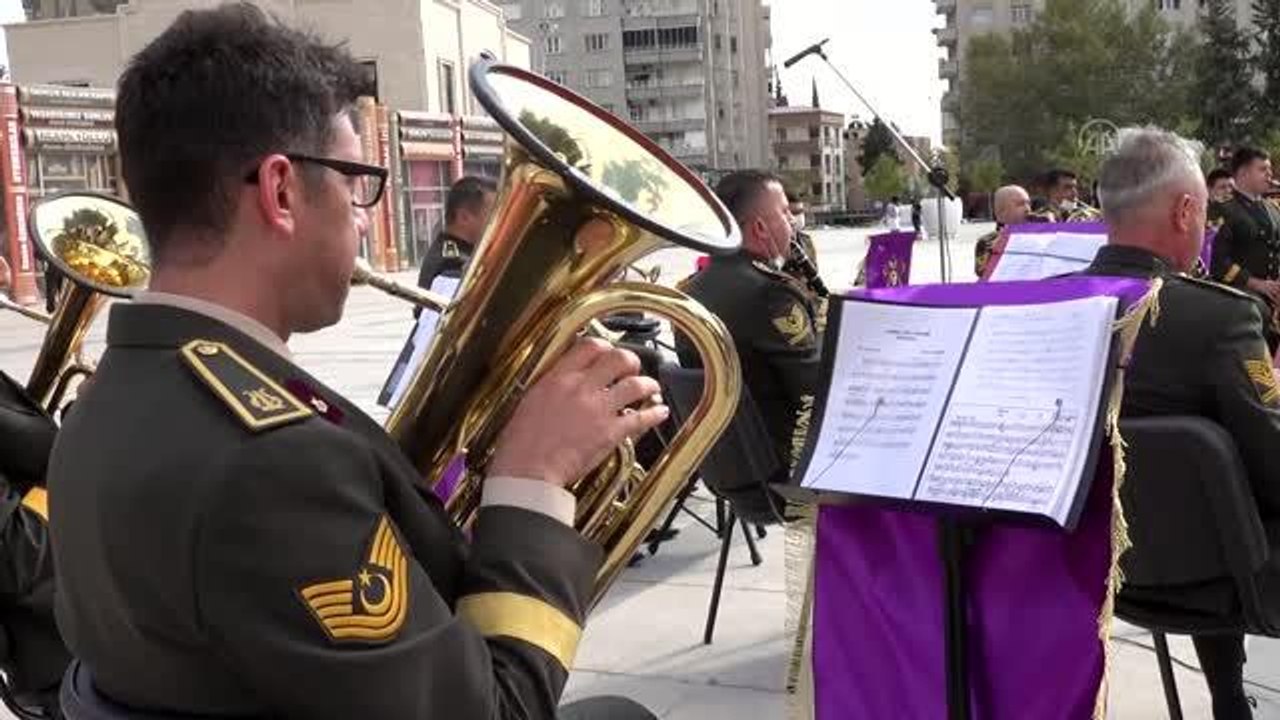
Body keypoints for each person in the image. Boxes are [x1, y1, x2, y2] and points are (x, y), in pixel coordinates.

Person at [46, 6, 664, 719]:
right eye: (356, 181)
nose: (365, 214)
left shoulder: (104, 402)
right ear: (281, 191)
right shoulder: (272, 465)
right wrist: (535, 480)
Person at [1084, 127, 1280, 720]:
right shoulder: (1217, 318)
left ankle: (1229, 698)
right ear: (1186, 209)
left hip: (1106, 570)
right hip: (1227, 578)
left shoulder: (1046, 307)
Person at [675, 170, 821, 490]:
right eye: (785, 213)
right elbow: (815, 392)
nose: (792, 222)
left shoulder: (687, 293)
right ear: (760, 228)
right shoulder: (773, 294)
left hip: (728, 468)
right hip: (788, 471)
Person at [1209, 147, 1280, 316]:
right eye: (1262, 169)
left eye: (1269, 169)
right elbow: (1218, 262)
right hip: (1241, 296)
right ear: (1242, 173)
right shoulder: (1222, 210)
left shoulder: (1274, 208)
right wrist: (1256, 284)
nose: (1269, 174)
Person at [414, 175, 496, 313]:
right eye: (492, 214)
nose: (497, 221)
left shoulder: (452, 249)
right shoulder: (453, 263)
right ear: (464, 217)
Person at [973, 184, 1032, 278]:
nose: (1027, 209)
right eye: (1020, 204)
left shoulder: (1036, 237)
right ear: (1001, 212)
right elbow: (983, 272)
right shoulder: (987, 241)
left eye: (1028, 203)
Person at [1031, 168, 1100, 222]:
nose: (1074, 193)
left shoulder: (1090, 216)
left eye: (1075, 187)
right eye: (1068, 188)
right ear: (1052, 190)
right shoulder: (1038, 218)